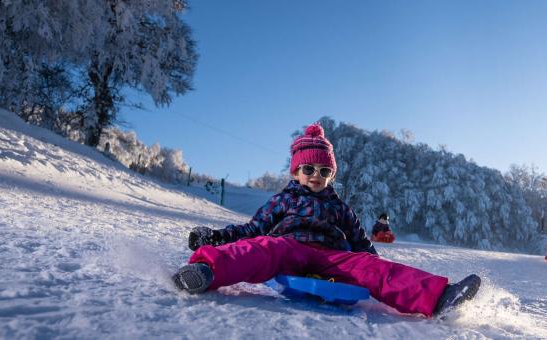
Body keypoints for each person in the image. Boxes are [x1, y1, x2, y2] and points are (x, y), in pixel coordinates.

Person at [173, 123, 481, 317]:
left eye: (324, 171)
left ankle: (439, 296)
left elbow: (361, 244)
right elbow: (252, 230)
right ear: (295, 172)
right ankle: (205, 270)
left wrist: (371, 268)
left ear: (331, 175)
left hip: (332, 257)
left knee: (370, 267)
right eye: (309, 170)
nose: (316, 176)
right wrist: (215, 237)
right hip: (289, 247)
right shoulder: (283, 200)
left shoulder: (340, 207)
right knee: (264, 247)